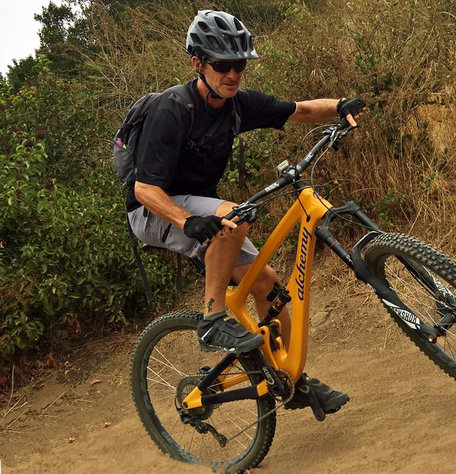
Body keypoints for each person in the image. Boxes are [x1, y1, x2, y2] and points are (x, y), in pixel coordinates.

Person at [127, 10, 365, 420]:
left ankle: (291, 380)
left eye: (239, 64)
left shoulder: (238, 105)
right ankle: (212, 318)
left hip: (201, 209)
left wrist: (340, 105)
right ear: (197, 63)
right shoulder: (174, 108)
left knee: (269, 287)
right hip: (154, 211)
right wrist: (187, 221)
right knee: (236, 215)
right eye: (222, 65)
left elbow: (300, 110)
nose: (232, 74)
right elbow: (144, 189)